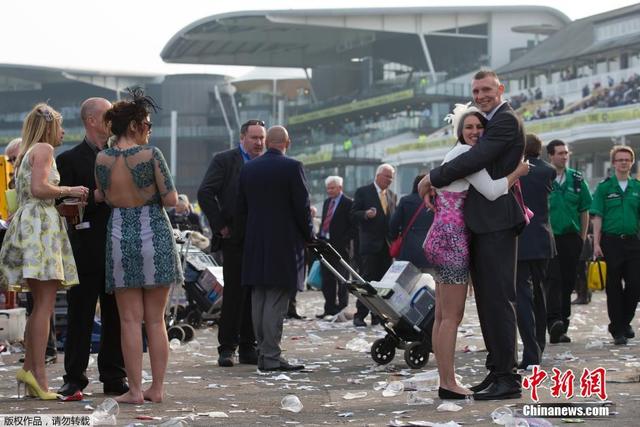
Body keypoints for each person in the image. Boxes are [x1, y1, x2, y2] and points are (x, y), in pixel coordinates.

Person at [419, 70, 527, 400]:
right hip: (471, 231)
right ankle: (495, 372)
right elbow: (475, 163)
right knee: (483, 305)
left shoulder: (506, 120)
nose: (481, 94)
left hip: (492, 226)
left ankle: (505, 377)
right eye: (476, 90)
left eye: (486, 89)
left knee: (495, 303)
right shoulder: (488, 127)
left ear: (500, 89)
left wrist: (430, 178)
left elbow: (477, 160)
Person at [94, 88, 183, 403]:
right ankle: (156, 389)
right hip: (154, 234)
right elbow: (170, 199)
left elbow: (101, 196)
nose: (149, 129)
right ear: (133, 125)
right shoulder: (151, 155)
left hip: (119, 236)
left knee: (128, 321)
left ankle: (133, 390)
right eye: (146, 123)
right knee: (155, 320)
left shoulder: (102, 158)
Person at [0, 103, 88, 400]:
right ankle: (38, 377)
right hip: (41, 228)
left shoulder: (28, 152)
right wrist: (70, 190)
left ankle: (31, 372)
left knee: (40, 305)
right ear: (49, 127)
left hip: (31, 225)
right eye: (61, 125)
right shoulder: (44, 149)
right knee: (44, 306)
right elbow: (40, 189)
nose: (64, 131)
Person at [56, 97, 127, 398]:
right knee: (80, 314)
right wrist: (91, 199)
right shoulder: (69, 159)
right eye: (107, 114)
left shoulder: (121, 155)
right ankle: (74, 377)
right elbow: (60, 206)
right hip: (85, 247)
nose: (113, 119)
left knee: (117, 316)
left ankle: (114, 375)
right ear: (91, 121)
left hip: (120, 246)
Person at [237, 125, 313, 371]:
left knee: (259, 297)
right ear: (287, 144)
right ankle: (271, 355)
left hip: (255, 241)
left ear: (267, 141)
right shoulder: (293, 167)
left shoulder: (249, 168)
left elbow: (241, 207)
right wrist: (309, 235)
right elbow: (302, 207)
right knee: (276, 299)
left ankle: (263, 353)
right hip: (284, 243)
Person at [197, 119, 265, 368]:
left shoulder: (266, 163)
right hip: (233, 237)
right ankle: (227, 348)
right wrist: (220, 225)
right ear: (243, 138)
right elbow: (205, 192)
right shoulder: (225, 160)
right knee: (235, 294)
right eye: (254, 138)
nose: (259, 143)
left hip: (259, 239)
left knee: (253, 294)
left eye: (262, 138)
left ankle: (249, 346)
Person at [5, 138, 58, 366]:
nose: (13, 162)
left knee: (41, 303)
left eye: (15, 158)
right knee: (39, 303)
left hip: (34, 232)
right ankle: (36, 363)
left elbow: (37, 190)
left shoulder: (40, 155)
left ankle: (41, 356)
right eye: (11, 159)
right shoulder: (32, 161)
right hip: (32, 232)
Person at [591, 145, 640, 346]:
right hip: (610, 243)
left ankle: (623, 322)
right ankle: (618, 329)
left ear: (632, 162)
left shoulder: (637, 187)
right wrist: (596, 243)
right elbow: (598, 217)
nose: (623, 162)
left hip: (633, 242)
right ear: (613, 163)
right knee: (613, 288)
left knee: (635, 285)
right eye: (619, 159)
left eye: (627, 159)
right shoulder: (604, 188)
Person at [515, 134, 556, 369]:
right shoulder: (548, 171)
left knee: (522, 297)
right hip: (542, 239)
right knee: (540, 294)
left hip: (520, 240)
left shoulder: (515, 170)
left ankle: (530, 352)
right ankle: (539, 346)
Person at [545, 140, 591, 343]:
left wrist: (581, 238)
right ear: (550, 156)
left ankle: (562, 324)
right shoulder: (543, 177)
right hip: (549, 237)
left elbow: (584, 210)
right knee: (552, 280)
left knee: (567, 282)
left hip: (571, 238)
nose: (564, 156)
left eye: (566, 153)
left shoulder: (578, 180)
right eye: (560, 153)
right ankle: (553, 321)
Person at [350, 164, 397, 327]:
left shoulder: (392, 195)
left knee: (382, 284)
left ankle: (378, 315)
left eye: (392, 177)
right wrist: (366, 214)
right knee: (367, 281)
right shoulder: (364, 192)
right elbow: (353, 214)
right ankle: (360, 314)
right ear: (378, 176)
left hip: (386, 247)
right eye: (387, 177)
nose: (390, 181)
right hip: (370, 245)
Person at [316, 175, 354, 318]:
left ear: (340, 188)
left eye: (332, 188)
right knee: (327, 280)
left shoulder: (348, 203)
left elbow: (353, 226)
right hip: (325, 245)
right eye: (328, 188)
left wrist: (344, 240)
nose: (329, 191)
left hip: (341, 247)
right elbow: (325, 221)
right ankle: (329, 308)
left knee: (342, 279)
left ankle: (341, 308)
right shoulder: (327, 202)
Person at [388, 174, 434, 273]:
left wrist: (394, 237)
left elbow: (393, 224)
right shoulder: (436, 203)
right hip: (430, 252)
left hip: (408, 251)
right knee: (429, 284)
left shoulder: (406, 201)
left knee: (407, 285)